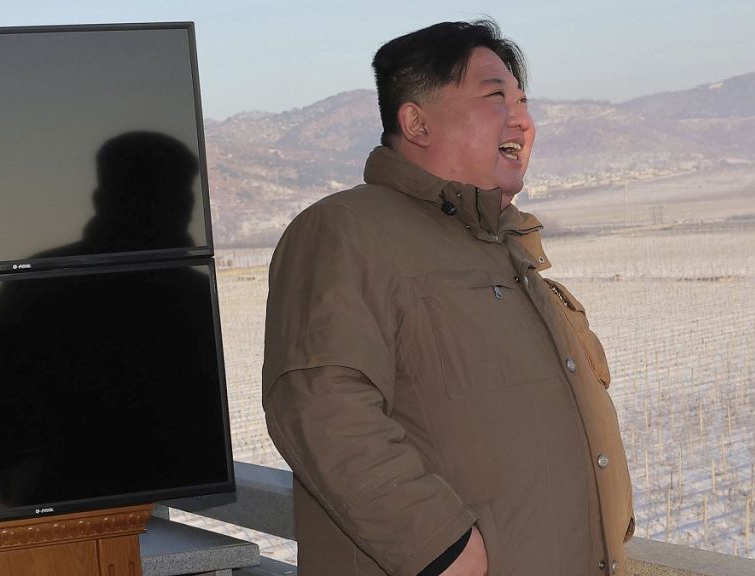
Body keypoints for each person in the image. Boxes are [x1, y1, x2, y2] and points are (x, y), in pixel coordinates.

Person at [263, 20, 634, 576]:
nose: (522, 120)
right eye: (495, 97)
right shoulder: (347, 230)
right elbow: (319, 403)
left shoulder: (504, 246)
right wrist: (440, 548)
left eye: (524, 101)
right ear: (416, 122)